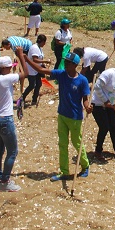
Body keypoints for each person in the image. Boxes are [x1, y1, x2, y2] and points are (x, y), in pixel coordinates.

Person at [28, 52, 92, 182]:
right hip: (62, 114)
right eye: (66, 62)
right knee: (62, 144)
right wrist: (24, 58)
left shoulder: (82, 80)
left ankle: (85, 166)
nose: (66, 64)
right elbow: (41, 69)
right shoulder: (61, 74)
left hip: (75, 117)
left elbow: (85, 99)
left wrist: (87, 107)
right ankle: (64, 171)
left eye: (68, 62)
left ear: (75, 65)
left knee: (77, 143)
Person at [0, 51, 28, 192]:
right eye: (9, 67)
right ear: (3, 69)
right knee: (12, 151)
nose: (11, 69)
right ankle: (5, 181)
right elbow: (25, 73)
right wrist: (21, 55)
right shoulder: (5, 79)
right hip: (4, 119)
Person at [21, 34, 51, 106]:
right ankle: (22, 98)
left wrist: (42, 65)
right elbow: (35, 60)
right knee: (32, 85)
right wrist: (45, 61)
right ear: (42, 42)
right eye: (44, 42)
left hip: (37, 69)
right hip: (31, 70)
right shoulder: (34, 48)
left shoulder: (39, 48)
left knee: (39, 84)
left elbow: (39, 58)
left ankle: (34, 99)